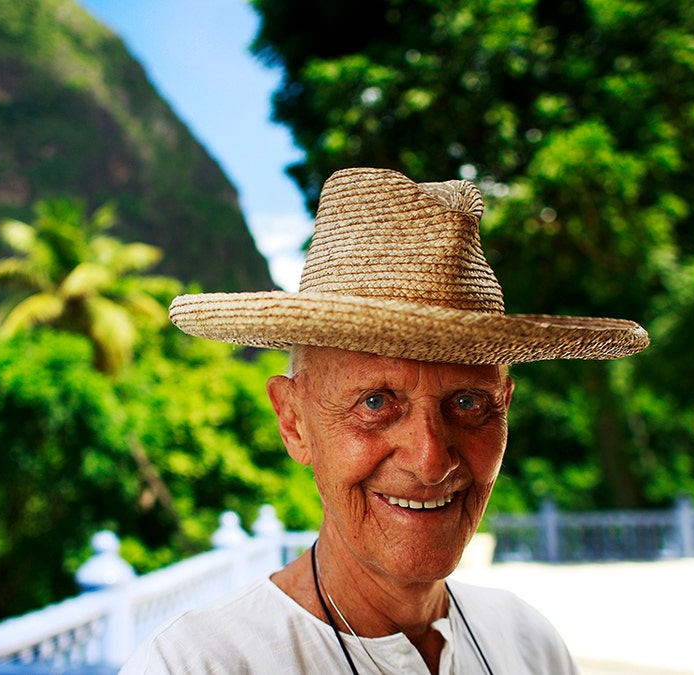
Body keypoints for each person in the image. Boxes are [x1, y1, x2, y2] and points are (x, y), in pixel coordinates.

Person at [121, 167, 649, 674]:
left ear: (504, 407)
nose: (430, 461)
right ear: (294, 422)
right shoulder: (201, 664)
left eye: (467, 403)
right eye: (375, 403)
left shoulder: (526, 642)